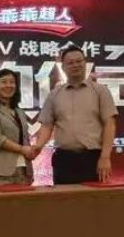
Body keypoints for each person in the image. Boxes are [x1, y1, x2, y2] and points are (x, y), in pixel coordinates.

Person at [33, 45, 118, 184]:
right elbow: (47, 125)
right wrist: (38, 146)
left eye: (79, 61)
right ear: (63, 67)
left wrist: (105, 156)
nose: (75, 65)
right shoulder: (54, 94)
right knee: (64, 197)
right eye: (70, 63)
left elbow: (110, 124)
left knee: (94, 198)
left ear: (85, 63)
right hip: (63, 160)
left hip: (92, 158)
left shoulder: (100, 91)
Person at [0, 68, 34, 185]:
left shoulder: (19, 111)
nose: (8, 85)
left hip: (24, 171)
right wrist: (22, 149)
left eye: (12, 82)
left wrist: (31, 152)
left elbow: (25, 139)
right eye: (4, 82)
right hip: (0, 173)